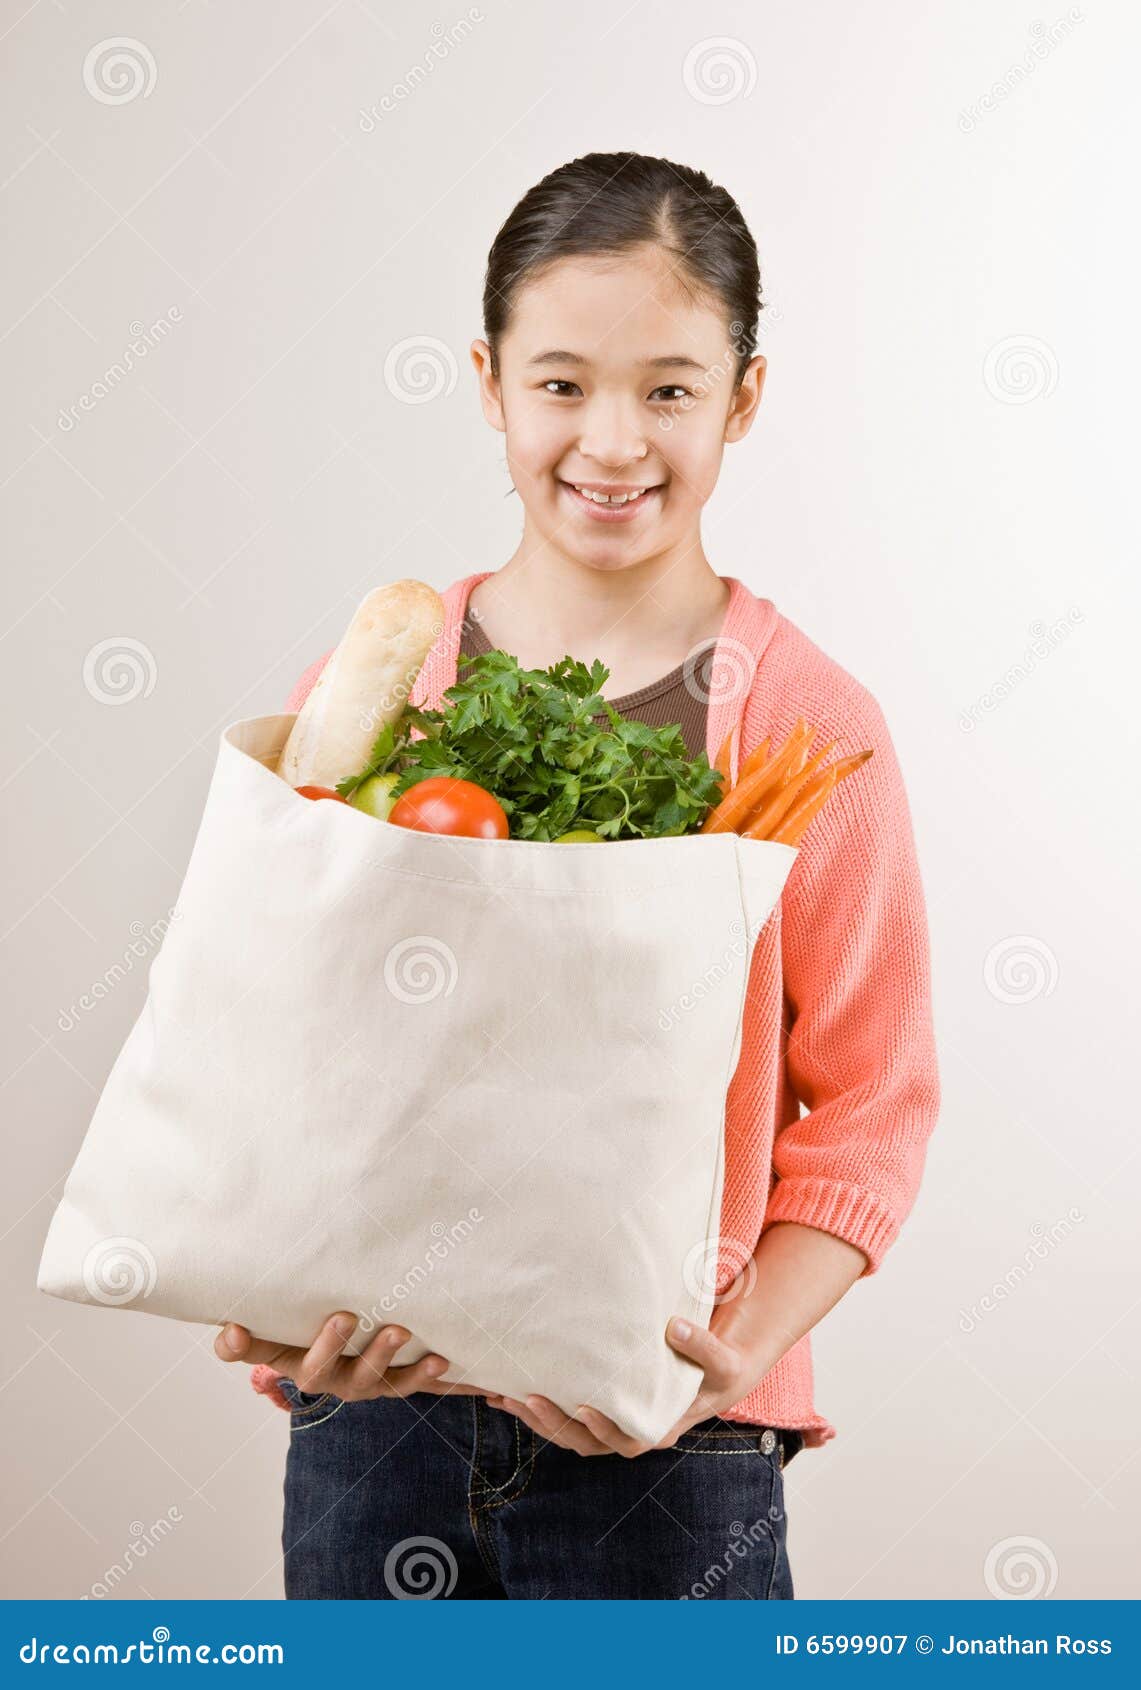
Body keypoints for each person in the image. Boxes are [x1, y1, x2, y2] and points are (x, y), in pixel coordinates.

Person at [216, 151, 941, 1601]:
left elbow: (871, 1110)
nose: (611, 440)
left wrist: (725, 1349)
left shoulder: (810, 723)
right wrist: (274, 1299)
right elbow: (272, 1046)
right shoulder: (372, 690)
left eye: (667, 388)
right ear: (487, 382)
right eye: (561, 383)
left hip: (670, 1447)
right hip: (377, 1427)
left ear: (742, 396)